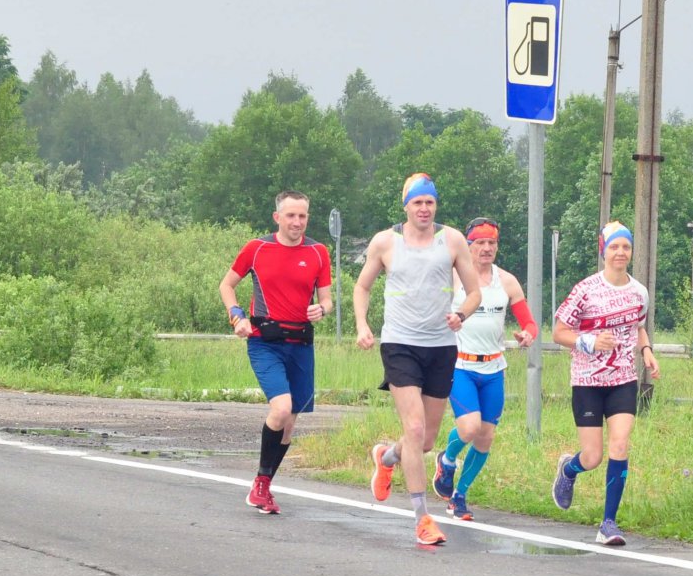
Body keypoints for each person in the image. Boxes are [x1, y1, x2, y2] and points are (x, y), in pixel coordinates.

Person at [354, 173, 483, 547]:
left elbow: (474, 292)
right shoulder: (385, 241)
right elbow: (362, 286)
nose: (424, 209)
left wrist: (461, 314)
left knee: (424, 442)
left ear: (435, 205)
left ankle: (386, 457)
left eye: (430, 202)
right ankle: (422, 517)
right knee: (413, 429)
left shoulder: (453, 240)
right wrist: (363, 324)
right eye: (417, 203)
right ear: (406, 205)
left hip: (441, 346)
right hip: (400, 345)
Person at [219, 190, 333, 515]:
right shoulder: (257, 249)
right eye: (291, 216)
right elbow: (226, 285)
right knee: (281, 409)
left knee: (290, 422)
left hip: (301, 345)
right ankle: (259, 484)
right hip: (264, 340)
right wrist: (236, 315)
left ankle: (264, 485)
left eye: (303, 216)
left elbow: (327, 299)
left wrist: (321, 310)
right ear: (277, 218)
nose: (297, 222)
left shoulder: (318, 252)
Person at [551, 220, 660, 546]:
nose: (620, 252)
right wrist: (590, 342)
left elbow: (637, 326)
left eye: (625, 246)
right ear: (604, 251)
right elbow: (558, 333)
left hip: (623, 380)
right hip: (587, 382)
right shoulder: (585, 290)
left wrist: (647, 351)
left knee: (621, 445)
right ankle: (569, 470)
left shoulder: (639, 292)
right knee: (593, 456)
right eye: (614, 247)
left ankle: (608, 523)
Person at [432, 218, 539, 520]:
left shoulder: (506, 281)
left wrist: (527, 334)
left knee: (485, 436)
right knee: (469, 427)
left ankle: (460, 496)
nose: (487, 248)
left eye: (492, 243)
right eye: (480, 242)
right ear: (468, 245)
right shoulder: (452, 277)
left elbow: (528, 321)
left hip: (494, 367)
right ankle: (447, 459)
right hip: (460, 364)